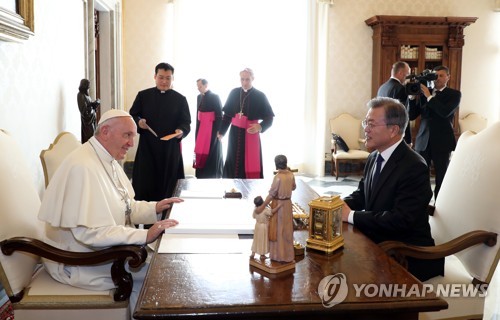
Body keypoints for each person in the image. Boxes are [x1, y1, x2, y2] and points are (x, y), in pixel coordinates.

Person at [38, 109, 183, 317]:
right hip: (80, 261)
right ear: (105, 131)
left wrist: (155, 208)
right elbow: (89, 233)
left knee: (168, 264)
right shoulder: (83, 167)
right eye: (127, 135)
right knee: (162, 273)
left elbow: (125, 207)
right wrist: (144, 235)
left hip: (104, 251)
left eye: (133, 136)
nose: (132, 143)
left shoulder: (106, 158)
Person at [341, 97, 444, 282]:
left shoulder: (414, 167)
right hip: (379, 241)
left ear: (393, 130)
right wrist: (336, 205)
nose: (365, 129)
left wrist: (350, 216)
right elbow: (362, 195)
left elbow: (401, 220)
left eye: (371, 124)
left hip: (407, 254)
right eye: (366, 122)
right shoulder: (374, 157)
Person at [129, 62, 191, 201]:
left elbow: (186, 122)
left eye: (168, 78)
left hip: (170, 149)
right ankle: (146, 221)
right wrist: (139, 122)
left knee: (170, 188)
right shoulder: (143, 96)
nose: (164, 81)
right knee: (146, 186)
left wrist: (181, 130)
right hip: (148, 148)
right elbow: (132, 115)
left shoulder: (180, 99)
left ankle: (168, 218)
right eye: (161, 77)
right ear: (155, 77)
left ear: (172, 79)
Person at [409, 65, 461, 200]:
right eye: (436, 75)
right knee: (421, 176)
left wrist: (429, 97)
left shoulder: (454, 94)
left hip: (442, 141)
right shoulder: (425, 91)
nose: (437, 78)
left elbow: (444, 112)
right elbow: (411, 115)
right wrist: (412, 99)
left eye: (441, 75)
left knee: (441, 175)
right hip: (423, 140)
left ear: (448, 77)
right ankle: (422, 203)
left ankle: (440, 205)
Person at [218, 68, 274, 178]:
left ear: (253, 79)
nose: (244, 82)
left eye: (247, 79)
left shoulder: (260, 96)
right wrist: (221, 132)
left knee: (249, 162)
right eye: (242, 79)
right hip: (234, 134)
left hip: (251, 133)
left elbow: (270, 118)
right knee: (233, 159)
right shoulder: (234, 93)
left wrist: (260, 126)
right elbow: (227, 116)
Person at [256, 155, 296, 263]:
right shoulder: (291, 174)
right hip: (288, 204)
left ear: (276, 164)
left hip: (279, 205)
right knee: (287, 231)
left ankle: (279, 256)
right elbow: (293, 187)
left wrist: (262, 206)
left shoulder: (278, 177)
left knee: (278, 231)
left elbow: (271, 194)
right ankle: (288, 256)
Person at [193, 78, 223, 178]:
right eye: (197, 86)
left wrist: (219, 132)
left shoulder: (215, 97)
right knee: (199, 153)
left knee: (212, 154)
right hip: (201, 130)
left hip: (212, 132)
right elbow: (198, 116)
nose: (198, 88)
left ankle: (212, 176)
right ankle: (200, 176)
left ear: (206, 85)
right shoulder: (198, 97)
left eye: (200, 86)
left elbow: (219, 116)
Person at [377, 61, 413, 145]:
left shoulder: (382, 88)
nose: (408, 78)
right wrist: (408, 140)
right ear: (400, 73)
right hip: (396, 136)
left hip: (383, 133)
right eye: (407, 75)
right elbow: (404, 116)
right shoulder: (401, 89)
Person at [250, 196, 281, 260]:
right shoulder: (265, 210)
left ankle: (253, 253)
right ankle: (262, 255)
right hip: (263, 227)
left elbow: (253, 216)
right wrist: (278, 206)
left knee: (256, 240)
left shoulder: (255, 209)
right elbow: (272, 212)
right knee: (263, 240)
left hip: (257, 225)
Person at [77, 78, 100, 143]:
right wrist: (93, 107)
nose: (88, 88)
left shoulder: (87, 96)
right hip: (87, 122)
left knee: (94, 137)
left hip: (92, 120)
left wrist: (95, 104)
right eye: (87, 86)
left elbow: (89, 105)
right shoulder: (80, 95)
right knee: (89, 139)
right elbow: (84, 111)